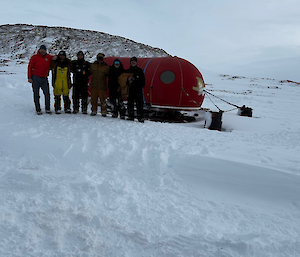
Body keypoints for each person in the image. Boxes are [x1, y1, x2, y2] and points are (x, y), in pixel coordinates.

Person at [27, 45, 56, 115]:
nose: (43, 51)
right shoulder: (34, 57)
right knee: (36, 94)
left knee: (47, 94)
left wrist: (56, 57)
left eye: (44, 50)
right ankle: (38, 109)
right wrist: (29, 77)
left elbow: (54, 57)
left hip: (44, 78)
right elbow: (30, 67)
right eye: (41, 50)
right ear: (39, 50)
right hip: (35, 78)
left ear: (46, 50)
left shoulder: (48, 57)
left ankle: (48, 108)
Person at [126, 57, 145, 122]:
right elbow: (124, 81)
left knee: (139, 104)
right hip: (131, 89)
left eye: (134, 61)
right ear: (130, 62)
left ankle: (140, 117)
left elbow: (143, 79)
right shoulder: (128, 71)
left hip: (138, 89)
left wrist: (142, 87)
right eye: (132, 61)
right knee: (130, 103)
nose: (133, 62)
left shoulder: (139, 70)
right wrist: (128, 80)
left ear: (136, 62)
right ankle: (131, 116)